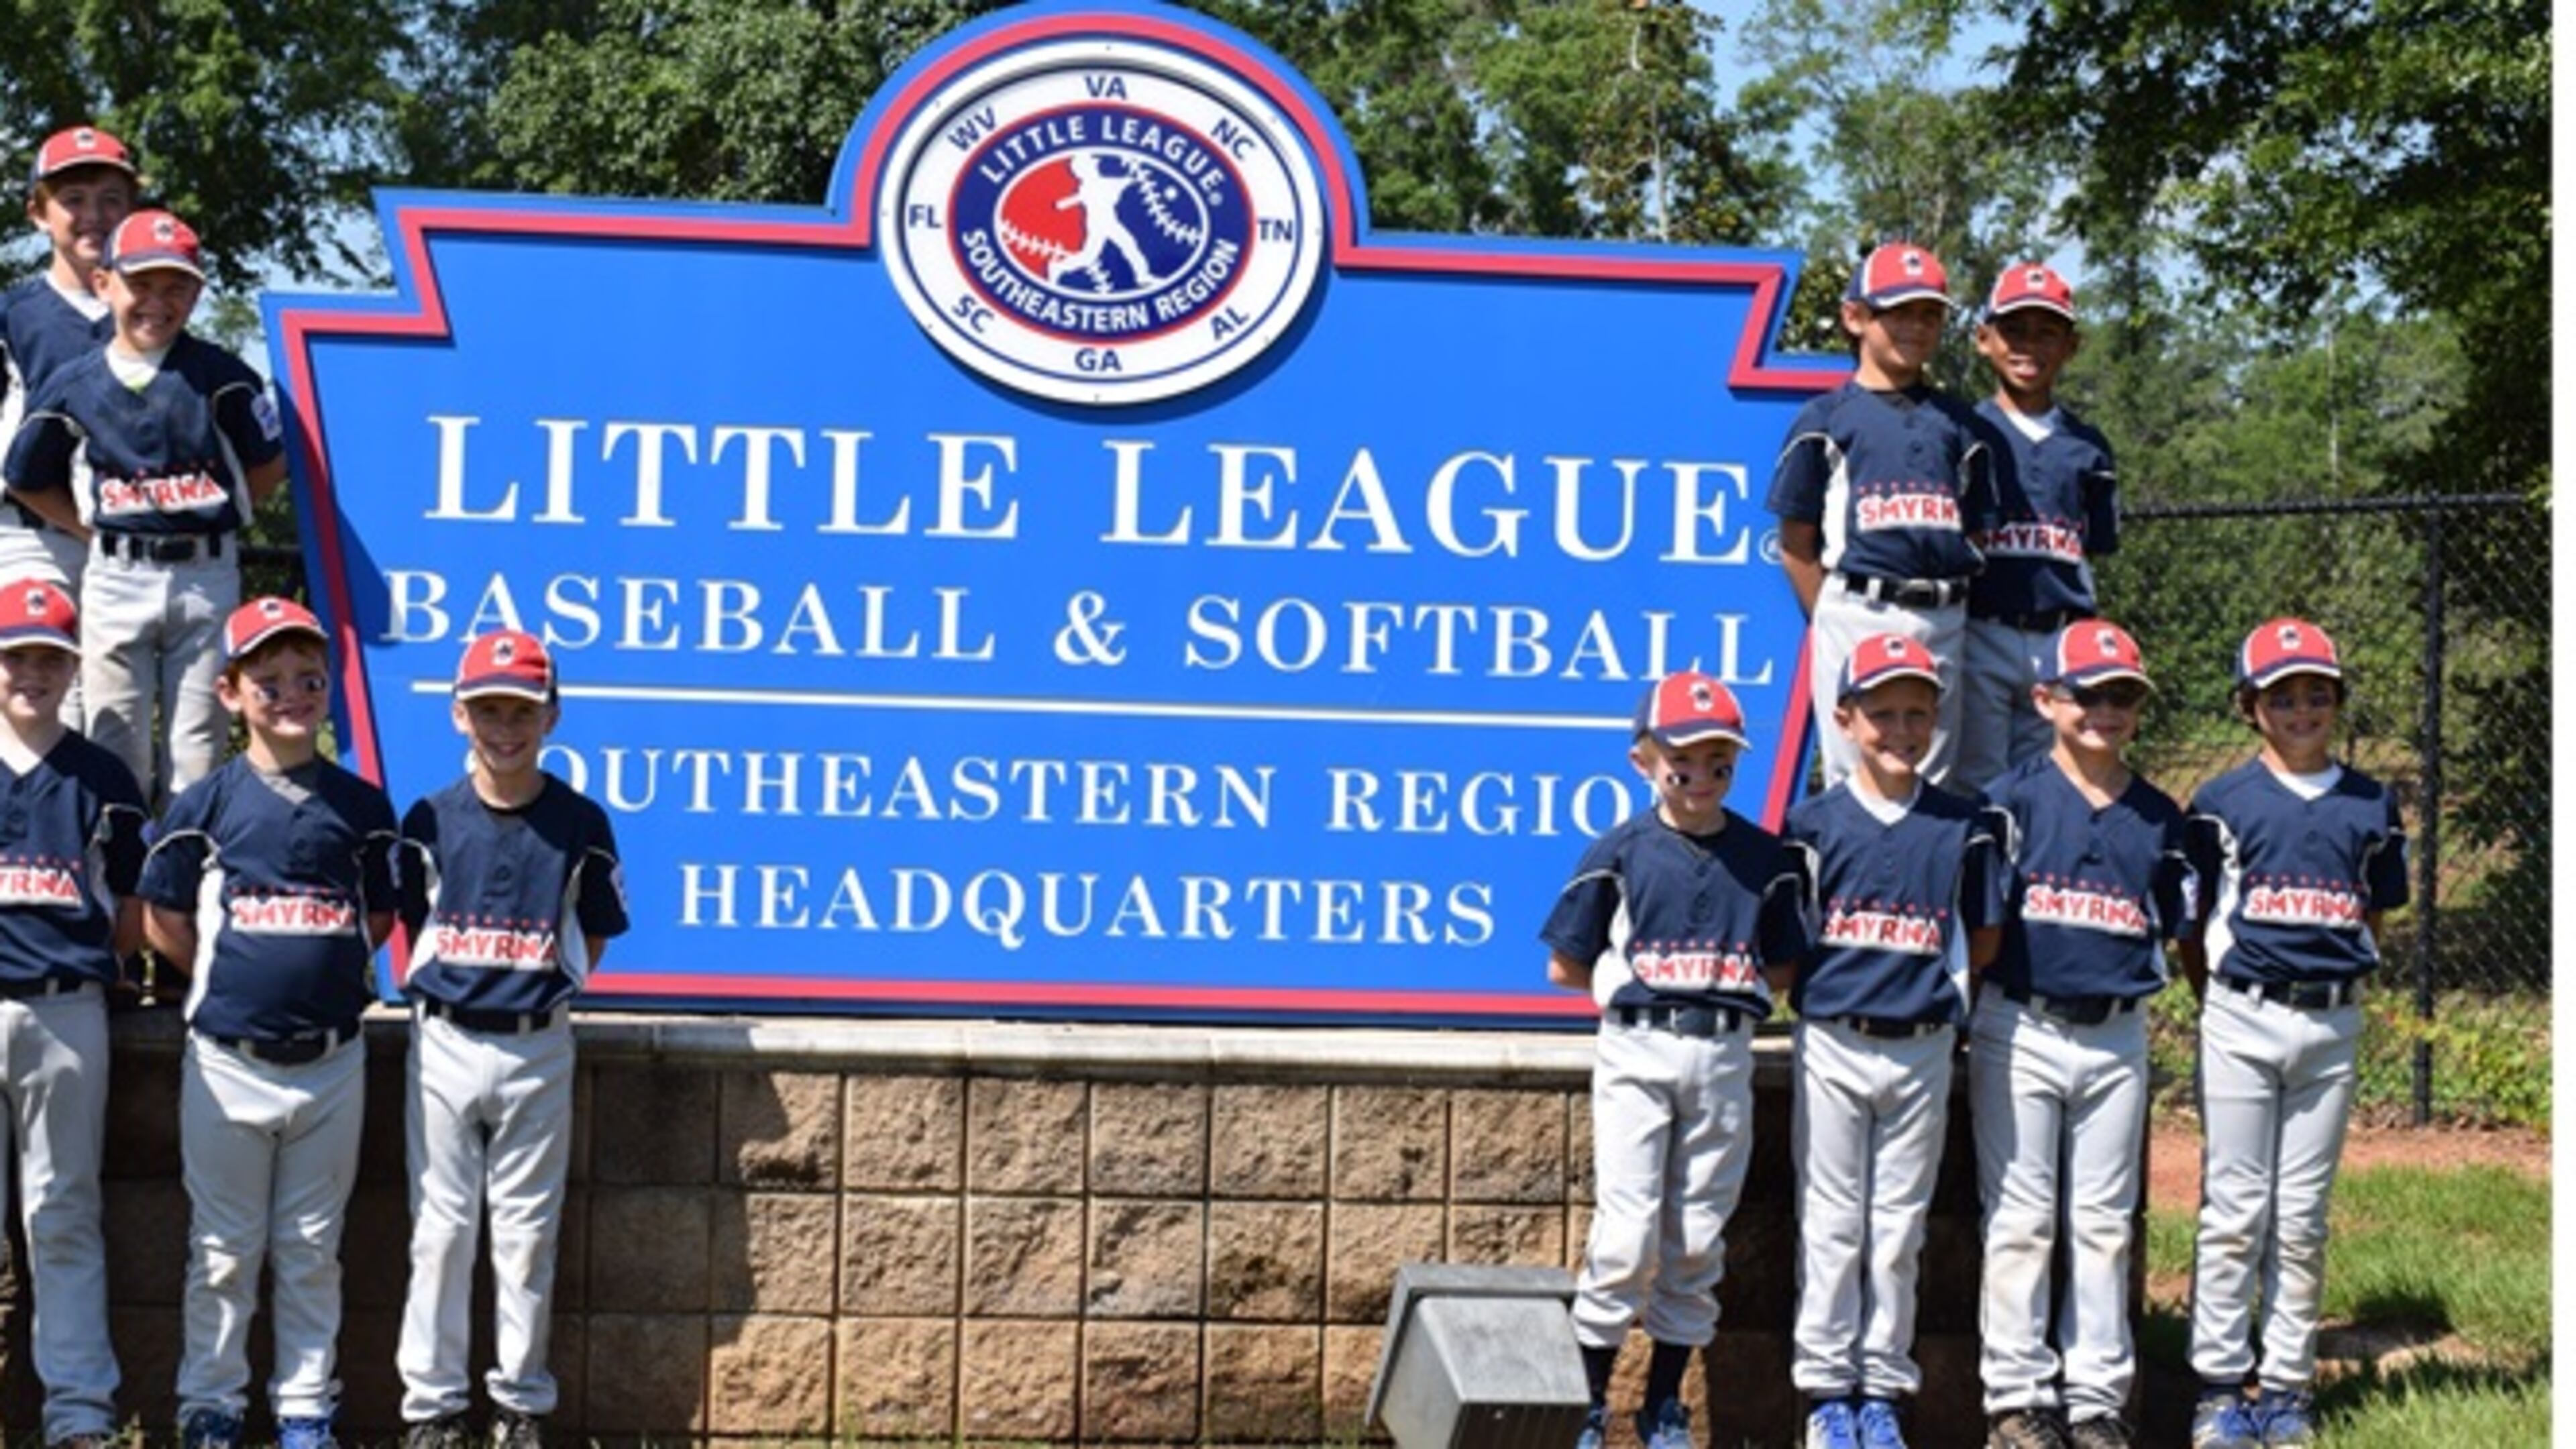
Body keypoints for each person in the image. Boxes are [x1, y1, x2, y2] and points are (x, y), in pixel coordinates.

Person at [140, 596, 398, 1449]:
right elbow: (162, 920)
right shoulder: (206, 806)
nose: (291, 692)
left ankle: (303, 1408)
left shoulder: (363, 809)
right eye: (269, 678)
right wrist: (230, 981)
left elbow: (379, 916)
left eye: (307, 677)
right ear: (230, 692)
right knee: (222, 1249)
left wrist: (321, 975)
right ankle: (210, 1403)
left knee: (311, 1250)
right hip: (228, 1060)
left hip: (331, 1061)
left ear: (329, 686)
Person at [1542, 669, 1808, 1449]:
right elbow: (1566, 963)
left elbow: (1786, 968)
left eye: (1717, 758)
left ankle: (1662, 1403)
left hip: (1723, 1049)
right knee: (1624, 1237)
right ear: (1644, 760)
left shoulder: (1765, 858)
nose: (1699, 774)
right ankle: (1589, 1403)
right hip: (1639, 1044)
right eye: (1681, 758)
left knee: (1696, 1236)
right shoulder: (1621, 850)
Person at [396, 629, 627, 1449]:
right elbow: (412, 920)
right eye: (489, 708)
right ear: (460, 714)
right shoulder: (428, 818)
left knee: (527, 1234)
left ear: (552, 715)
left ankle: (520, 1404)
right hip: (448, 1037)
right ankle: (433, 1408)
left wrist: (543, 987)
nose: (506, 726)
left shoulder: (580, 823)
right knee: (442, 1230)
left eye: (522, 710)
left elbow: (592, 935)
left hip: (536, 1041)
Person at [2182, 619, 2408, 1449]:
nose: (2302, 709)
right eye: (2283, 696)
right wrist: (2222, 999)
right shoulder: (2221, 802)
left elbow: (2372, 908)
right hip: (2242, 1012)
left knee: (2303, 1214)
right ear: (2251, 707)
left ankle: (2285, 1385)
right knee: (2236, 1207)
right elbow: (2193, 922)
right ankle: (2216, 1385)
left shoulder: (2371, 800)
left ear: (2338, 702)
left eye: (2318, 694)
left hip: (2330, 1020)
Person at [1782, 633, 2008, 1449]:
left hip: (1919, 1042)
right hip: (1836, 1038)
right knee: (1833, 1222)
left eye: (1918, 712)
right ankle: (1823, 1392)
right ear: (1845, 719)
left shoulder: (1964, 824)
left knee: (1898, 1227)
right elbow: (1790, 943)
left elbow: (1980, 942)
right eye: (1882, 714)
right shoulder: (1812, 826)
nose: (1901, 729)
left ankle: (1882, 1387)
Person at [1973, 623, 2192, 1449]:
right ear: (2045, 701)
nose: (2106, 710)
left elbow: (2176, 925)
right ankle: (2017, 1398)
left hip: (2116, 1033)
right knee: (2022, 1218)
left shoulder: (2159, 815)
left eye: (2123, 697)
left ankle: (2099, 1400)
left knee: (2104, 1223)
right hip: (2020, 1022)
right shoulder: (2011, 800)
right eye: (2088, 694)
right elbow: (1983, 925)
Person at [3, 207, 286, 806]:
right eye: (141, 283)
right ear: (105, 282)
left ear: (198, 292)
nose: (157, 301)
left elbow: (271, 459)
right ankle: (118, 887)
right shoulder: (73, 383)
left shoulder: (222, 376)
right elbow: (25, 476)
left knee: (198, 742)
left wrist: (226, 513)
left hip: (205, 573)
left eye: (176, 285)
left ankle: (180, 888)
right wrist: (89, 529)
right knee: (113, 740)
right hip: (115, 575)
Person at [0, 576, 148, 1448]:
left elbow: (129, 906)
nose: (32, 673)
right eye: (17, 656)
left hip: (66, 1009)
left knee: (63, 1211)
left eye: (49, 658)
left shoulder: (102, 776)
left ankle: (80, 1412)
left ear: (73, 666)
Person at [1768, 241, 1996, 791]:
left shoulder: (1961, 424)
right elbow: (1796, 541)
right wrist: (1832, 613)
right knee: (1857, 781)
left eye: (1928, 314)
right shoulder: (1827, 418)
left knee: (1932, 784)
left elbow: (1977, 531)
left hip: (1943, 616)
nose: (1914, 327)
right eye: (1895, 312)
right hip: (1858, 609)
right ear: (1855, 317)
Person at [1954, 264, 2121, 789]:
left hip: (2059, 635)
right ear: (1984, 340)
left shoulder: (2088, 446)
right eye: (2015, 331)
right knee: (1978, 780)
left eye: (2046, 333)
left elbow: (2091, 551)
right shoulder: (1961, 432)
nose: (2030, 346)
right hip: (1980, 628)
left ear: (2071, 345)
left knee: (2047, 781)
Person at [2, 125, 138, 599]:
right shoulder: (13, 317)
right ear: (39, 214)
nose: (94, 216)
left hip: (136, 549)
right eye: (73, 200)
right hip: (29, 541)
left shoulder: (156, 317)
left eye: (111, 199)